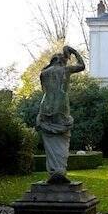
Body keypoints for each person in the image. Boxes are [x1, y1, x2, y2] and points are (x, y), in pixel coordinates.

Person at [36, 45, 85, 183]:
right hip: (61, 107)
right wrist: (74, 52)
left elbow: (44, 90)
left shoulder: (44, 73)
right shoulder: (65, 70)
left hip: (45, 107)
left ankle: (53, 171)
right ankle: (59, 170)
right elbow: (82, 66)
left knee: (50, 140)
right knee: (63, 138)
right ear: (62, 61)